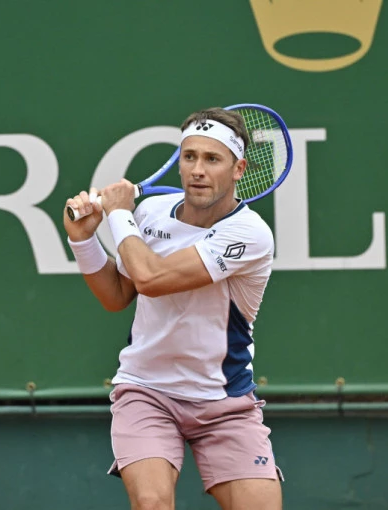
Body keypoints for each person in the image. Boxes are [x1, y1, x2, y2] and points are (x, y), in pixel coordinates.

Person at [63, 107, 283, 510]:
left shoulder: (249, 234)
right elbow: (117, 296)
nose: (197, 170)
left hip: (225, 401)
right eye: (189, 156)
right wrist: (83, 241)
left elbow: (152, 278)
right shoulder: (149, 214)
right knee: (151, 504)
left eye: (212, 159)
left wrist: (118, 214)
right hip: (147, 392)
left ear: (239, 169)